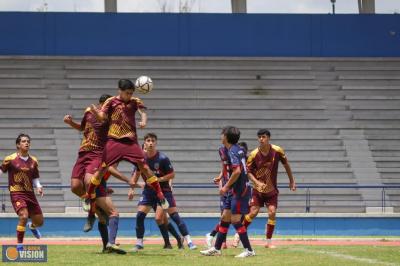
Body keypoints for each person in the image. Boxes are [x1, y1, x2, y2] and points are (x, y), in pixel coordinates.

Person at [64, 94, 135, 254]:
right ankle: (93, 209)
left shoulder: (110, 118)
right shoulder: (88, 112)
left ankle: (93, 213)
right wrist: (70, 123)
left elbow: (104, 121)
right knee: (75, 186)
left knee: (90, 182)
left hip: (97, 154)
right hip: (83, 153)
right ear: (102, 103)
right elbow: (82, 128)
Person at [85, 79, 167, 213]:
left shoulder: (135, 101)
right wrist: (95, 111)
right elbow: (101, 117)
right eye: (127, 93)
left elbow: (143, 112)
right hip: (114, 141)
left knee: (144, 167)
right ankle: (88, 196)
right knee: (102, 169)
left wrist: (143, 121)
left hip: (130, 142)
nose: (129, 95)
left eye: (131, 93)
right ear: (120, 91)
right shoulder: (110, 101)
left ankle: (160, 195)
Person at [129, 133, 196, 251]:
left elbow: (172, 174)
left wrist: (159, 179)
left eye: (153, 141)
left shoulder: (162, 158)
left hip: (163, 191)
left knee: (168, 217)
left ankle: (189, 241)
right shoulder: (140, 159)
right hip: (149, 192)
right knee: (140, 215)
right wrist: (132, 189)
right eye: (148, 141)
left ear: (156, 143)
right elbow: (137, 174)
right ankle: (139, 243)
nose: (150, 143)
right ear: (144, 143)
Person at [200, 126, 255, 258]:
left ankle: (249, 250)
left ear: (226, 137)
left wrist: (225, 187)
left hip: (239, 189)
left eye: (222, 134)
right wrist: (221, 177)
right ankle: (217, 248)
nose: (221, 135)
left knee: (235, 219)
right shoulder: (226, 150)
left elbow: (237, 171)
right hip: (233, 189)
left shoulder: (234, 151)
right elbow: (227, 166)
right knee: (225, 217)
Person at [243, 129, 296, 248]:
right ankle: (238, 235)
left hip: (272, 190)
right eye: (259, 137)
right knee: (253, 212)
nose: (261, 139)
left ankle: (268, 242)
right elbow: (248, 172)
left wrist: (291, 180)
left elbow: (286, 165)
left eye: (263, 137)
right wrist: (256, 182)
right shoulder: (254, 154)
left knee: (272, 212)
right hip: (258, 190)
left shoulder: (277, 150)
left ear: (268, 138)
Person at [0, 134, 44, 251]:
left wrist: (39, 186)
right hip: (17, 193)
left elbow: (35, 177)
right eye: (24, 141)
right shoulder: (10, 159)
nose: (27, 143)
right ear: (18, 145)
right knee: (23, 216)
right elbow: (1, 170)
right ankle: (19, 246)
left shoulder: (34, 160)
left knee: (40, 222)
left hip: (30, 194)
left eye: (28, 141)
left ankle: (32, 226)